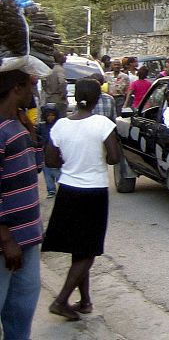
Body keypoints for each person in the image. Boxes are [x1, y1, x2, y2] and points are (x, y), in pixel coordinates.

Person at [42, 78, 121, 321]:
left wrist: (72, 159)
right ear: (99, 99)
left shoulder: (60, 126)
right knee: (88, 250)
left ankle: (85, 301)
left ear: (75, 97)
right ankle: (61, 300)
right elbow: (114, 158)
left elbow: (51, 162)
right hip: (93, 191)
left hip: (67, 189)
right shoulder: (102, 124)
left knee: (79, 247)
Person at [0, 69, 43, 339]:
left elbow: (36, 168)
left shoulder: (17, 125)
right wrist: (6, 238)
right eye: (30, 85)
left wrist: (30, 130)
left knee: (21, 309)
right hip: (8, 244)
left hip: (26, 239)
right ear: (17, 88)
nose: (33, 92)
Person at [37, 104, 62, 198]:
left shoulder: (59, 125)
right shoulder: (41, 127)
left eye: (52, 115)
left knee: (58, 173)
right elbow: (37, 138)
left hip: (57, 154)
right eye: (48, 115)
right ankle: (51, 190)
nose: (50, 117)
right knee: (47, 174)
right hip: (45, 154)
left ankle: (62, 188)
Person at [43, 52, 69, 118]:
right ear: (59, 58)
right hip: (58, 99)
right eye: (63, 56)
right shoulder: (59, 69)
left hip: (49, 98)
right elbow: (62, 82)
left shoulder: (51, 69)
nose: (65, 57)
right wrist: (63, 94)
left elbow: (44, 83)